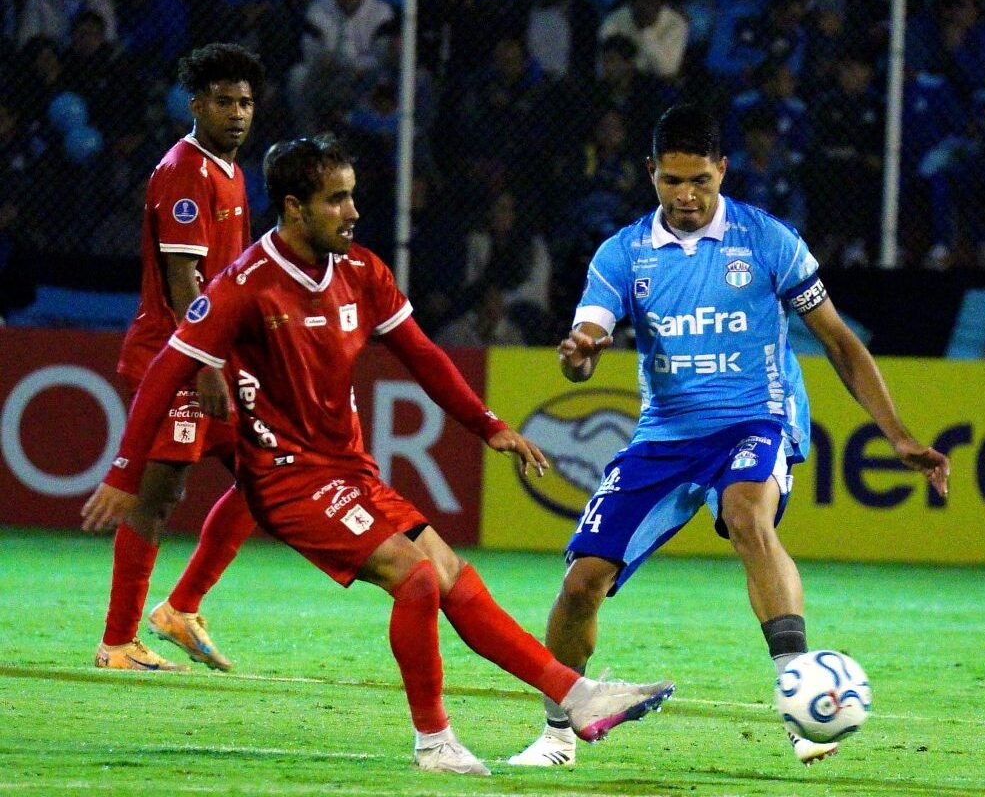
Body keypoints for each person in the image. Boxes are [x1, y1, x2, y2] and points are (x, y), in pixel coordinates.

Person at [81, 133, 675, 776]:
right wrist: (123, 473)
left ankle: (575, 696)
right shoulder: (243, 286)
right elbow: (164, 374)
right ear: (294, 208)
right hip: (287, 480)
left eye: (352, 196)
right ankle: (435, 742)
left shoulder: (361, 271)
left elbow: (422, 354)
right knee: (414, 577)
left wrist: (487, 426)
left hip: (350, 470)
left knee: (450, 573)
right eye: (337, 199)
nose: (354, 212)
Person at [507, 104, 950, 768]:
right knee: (581, 584)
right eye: (672, 181)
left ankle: (800, 703)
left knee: (747, 516)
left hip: (755, 417)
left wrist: (898, 435)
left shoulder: (768, 240)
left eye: (700, 181)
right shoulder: (623, 253)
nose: (686, 196)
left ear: (722, 169)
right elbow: (589, 334)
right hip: (665, 435)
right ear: (651, 172)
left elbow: (838, 340)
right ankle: (556, 734)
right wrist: (581, 352)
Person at [93, 43, 266, 673]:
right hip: (174, 355)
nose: (237, 113)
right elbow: (182, 282)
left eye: (245, 102)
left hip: (214, 354)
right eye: (223, 101)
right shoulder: (184, 170)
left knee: (268, 473)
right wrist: (209, 364)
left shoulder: (231, 171)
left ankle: (180, 607)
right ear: (195, 104)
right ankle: (117, 643)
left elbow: (229, 278)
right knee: (159, 496)